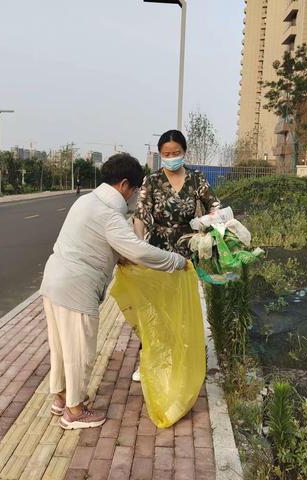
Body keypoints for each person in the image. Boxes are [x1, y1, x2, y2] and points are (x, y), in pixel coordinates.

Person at [39, 153, 187, 430]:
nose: (133, 196)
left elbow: (102, 244)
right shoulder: (109, 215)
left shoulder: (87, 201)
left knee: (61, 347)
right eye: (134, 189)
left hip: (54, 280)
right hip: (76, 287)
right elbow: (138, 250)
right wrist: (176, 262)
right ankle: (74, 411)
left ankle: (59, 399)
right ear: (123, 184)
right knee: (80, 351)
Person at [131, 129, 221, 382]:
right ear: (160, 155)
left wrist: (212, 223)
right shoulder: (152, 181)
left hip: (186, 249)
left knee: (182, 306)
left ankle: (183, 361)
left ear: (184, 152)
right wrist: (137, 250)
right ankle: (149, 359)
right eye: (166, 154)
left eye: (176, 153)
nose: (171, 157)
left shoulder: (195, 179)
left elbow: (214, 205)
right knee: (155, 308)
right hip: (157, 249)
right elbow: (140, 216)